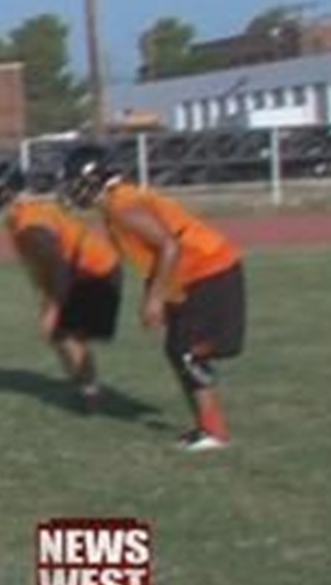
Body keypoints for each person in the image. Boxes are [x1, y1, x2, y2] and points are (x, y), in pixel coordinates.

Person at [60, 144, 247, 452]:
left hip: (207, 269)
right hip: (192, 272)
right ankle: (210, 427)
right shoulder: (115, 206)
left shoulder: (122, 206)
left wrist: (155, 299)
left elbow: (169, 247)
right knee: (180, 351)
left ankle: (215, 429)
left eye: (75, 182)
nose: (72, 190)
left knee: (186, 351)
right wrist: (154, 292)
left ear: (94, 179)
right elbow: (156, 255)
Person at [0, 161, 125, 412]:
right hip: (89, 269)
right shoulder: (26, 214)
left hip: (92, 271)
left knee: (66, 334)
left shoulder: (29, 224)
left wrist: (53, 308)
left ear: (5, 190)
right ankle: (86, 389)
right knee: (64, 336)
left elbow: (58, 264)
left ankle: (89, 395)